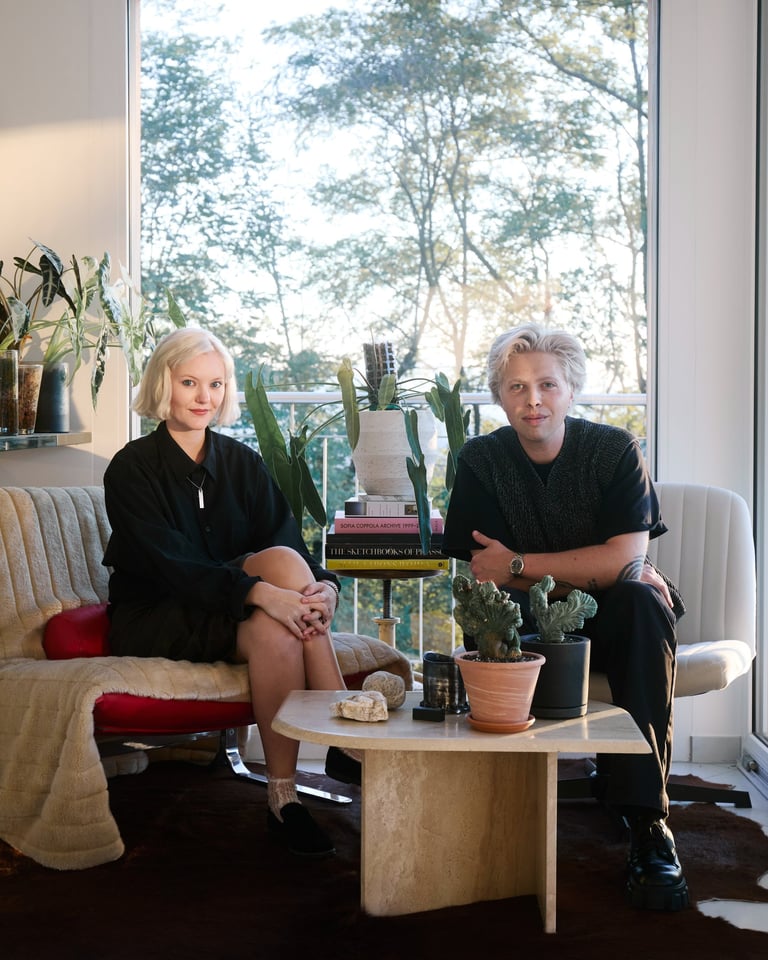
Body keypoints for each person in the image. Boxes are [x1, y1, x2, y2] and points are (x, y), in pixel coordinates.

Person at [442, 322, 689, 912]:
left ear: (571, 388)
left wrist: (520, 562)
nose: (533, 400)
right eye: (516, 387)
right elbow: (484, 575)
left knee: (637, 597)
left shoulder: (615, 450)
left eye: (547, 384)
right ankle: (496, 810)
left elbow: (624, 562)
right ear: (499, 396)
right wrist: (586, 566)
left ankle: (648, 825)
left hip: (618, 625)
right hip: (521, 624)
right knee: (489, 615)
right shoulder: (480, 459)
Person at [102, 327, 359, 859]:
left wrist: (325, 589)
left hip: (233, 601)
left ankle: (284, 795)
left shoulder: (240, 462)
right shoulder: (130, 469)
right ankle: (338, 742)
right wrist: (262, 595)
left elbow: (286, 541)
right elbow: (173, 567)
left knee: (286, 568)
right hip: (160, 610)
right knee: (273, 622)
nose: (204, 397)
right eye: (190, 382)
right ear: (162, 385)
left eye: (215, 384)